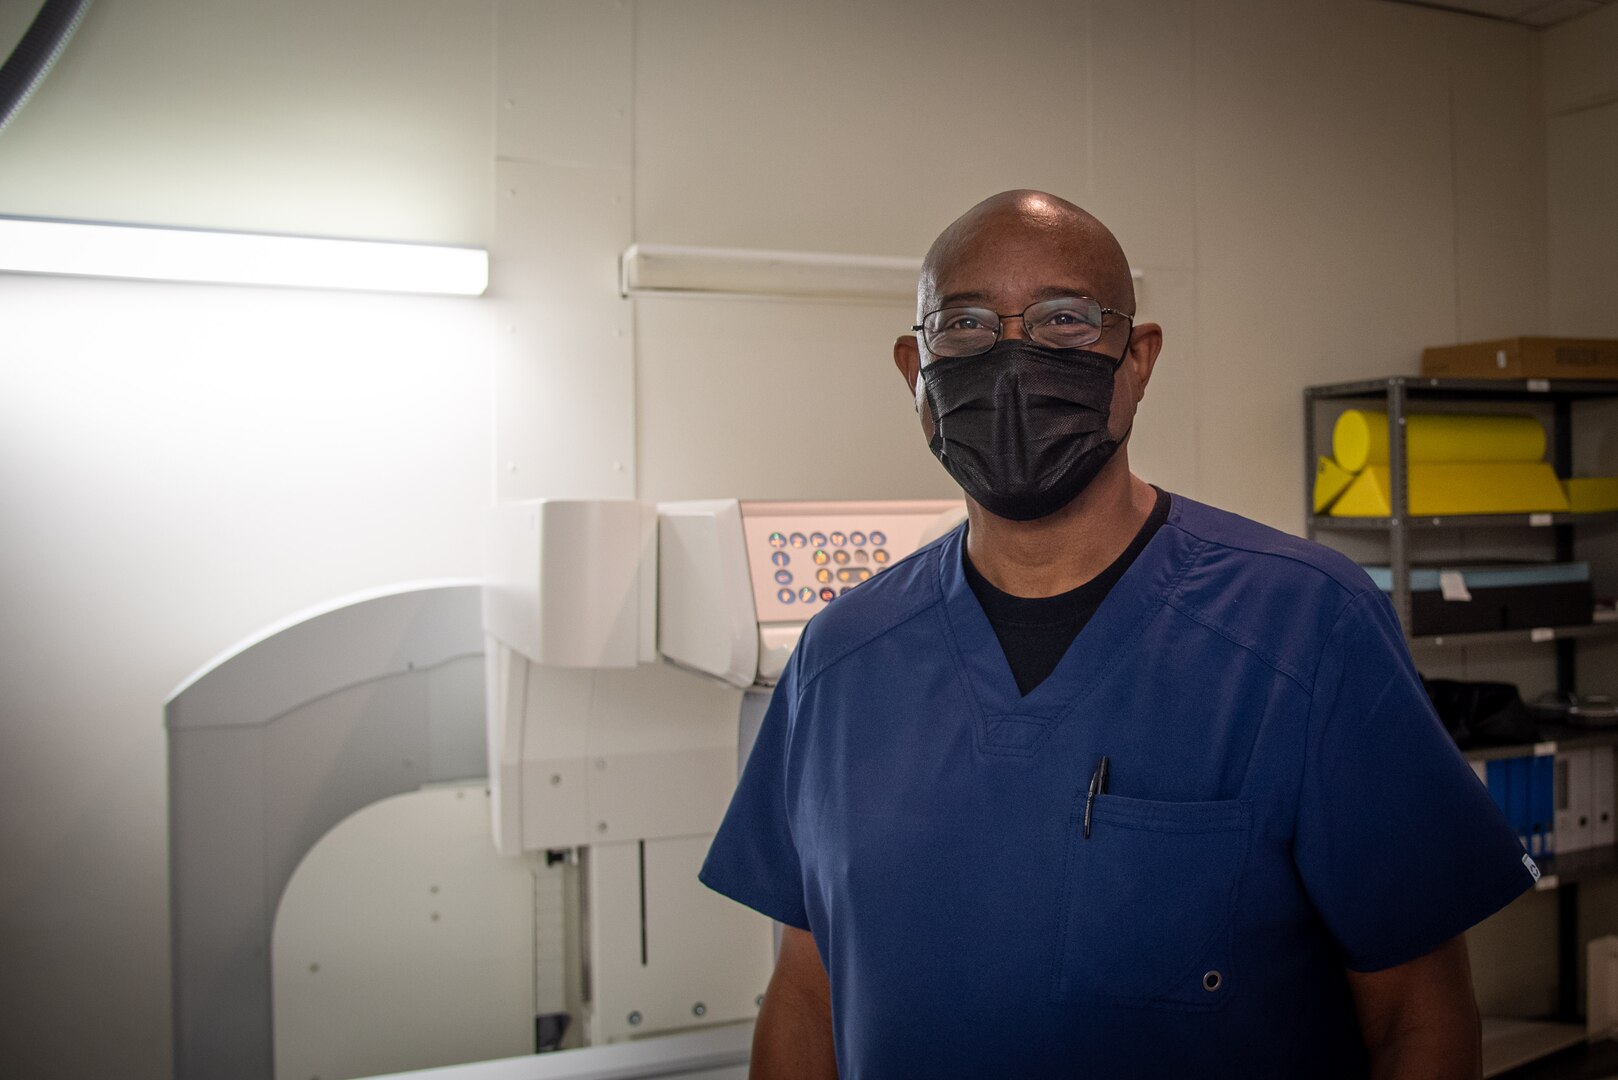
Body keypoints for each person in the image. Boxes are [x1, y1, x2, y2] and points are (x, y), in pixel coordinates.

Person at [700, 190, 1533, 1079]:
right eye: (967, 325)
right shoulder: (840, 658)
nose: (1014, 359)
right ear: (915, 368)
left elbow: (1420, 1021)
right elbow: (805, 993)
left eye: (1065, 320)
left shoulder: (1307, 627)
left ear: (1138, 358)